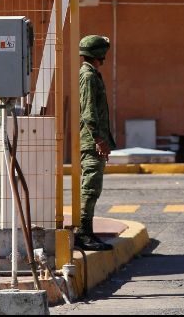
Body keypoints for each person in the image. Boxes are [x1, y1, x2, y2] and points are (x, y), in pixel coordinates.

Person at [76, 35, 116, 252]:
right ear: (99, 54)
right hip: (92, 141)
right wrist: (99, 140)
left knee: (93, 186)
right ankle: (83, 233)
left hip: (94, 140)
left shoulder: (91, 74)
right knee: (90, 187)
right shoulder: (88, 76)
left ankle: (87, 231)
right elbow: (88, 112)